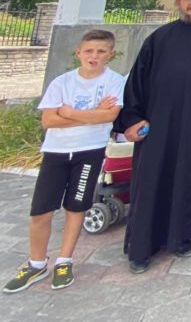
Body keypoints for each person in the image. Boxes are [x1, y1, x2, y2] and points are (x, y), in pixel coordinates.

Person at [115, 0, 191, 273]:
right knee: (153, 180)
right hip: (160, 126)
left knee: (190, 179)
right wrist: (132, 118)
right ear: (179, 3)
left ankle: (180, 237)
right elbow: (137, 80)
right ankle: (142, 248)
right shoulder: (160, 38)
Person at [4, 30, 125, 294]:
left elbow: (109, 116)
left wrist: (69, 112)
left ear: (111, 54)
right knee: (41, 211)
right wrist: (93, 113)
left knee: (76, 207)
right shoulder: (62, 82)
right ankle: (36, 262)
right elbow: (49, 121)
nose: (94, 56)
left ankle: (64, 260)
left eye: (101, 51)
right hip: (57, 152)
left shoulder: (115, 82)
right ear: (78, 53)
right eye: (89, 51)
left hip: (89, 151)